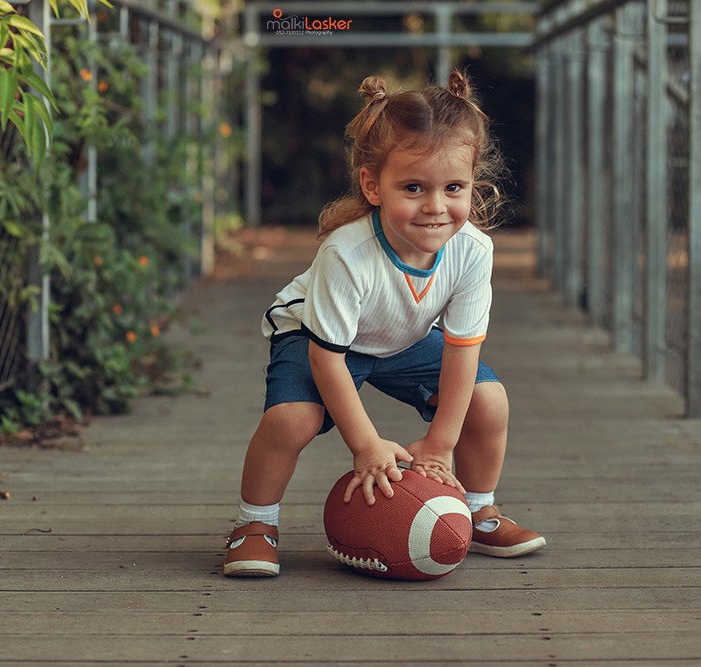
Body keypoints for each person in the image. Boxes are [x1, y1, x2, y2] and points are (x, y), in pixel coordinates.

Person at [224, 69, 546, 577]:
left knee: (487, 399)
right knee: (293, 419)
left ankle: (480, 511)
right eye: (414, 187)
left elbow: (463, 348)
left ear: (472, 184)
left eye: (454, 187)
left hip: (404, 337)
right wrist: (367, 446)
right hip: (318, 338)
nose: (436, 207)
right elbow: (325, 357)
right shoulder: (347, 254)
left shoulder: (472, 251)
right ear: (374, 186)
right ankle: (255, 524)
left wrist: (440, 444)